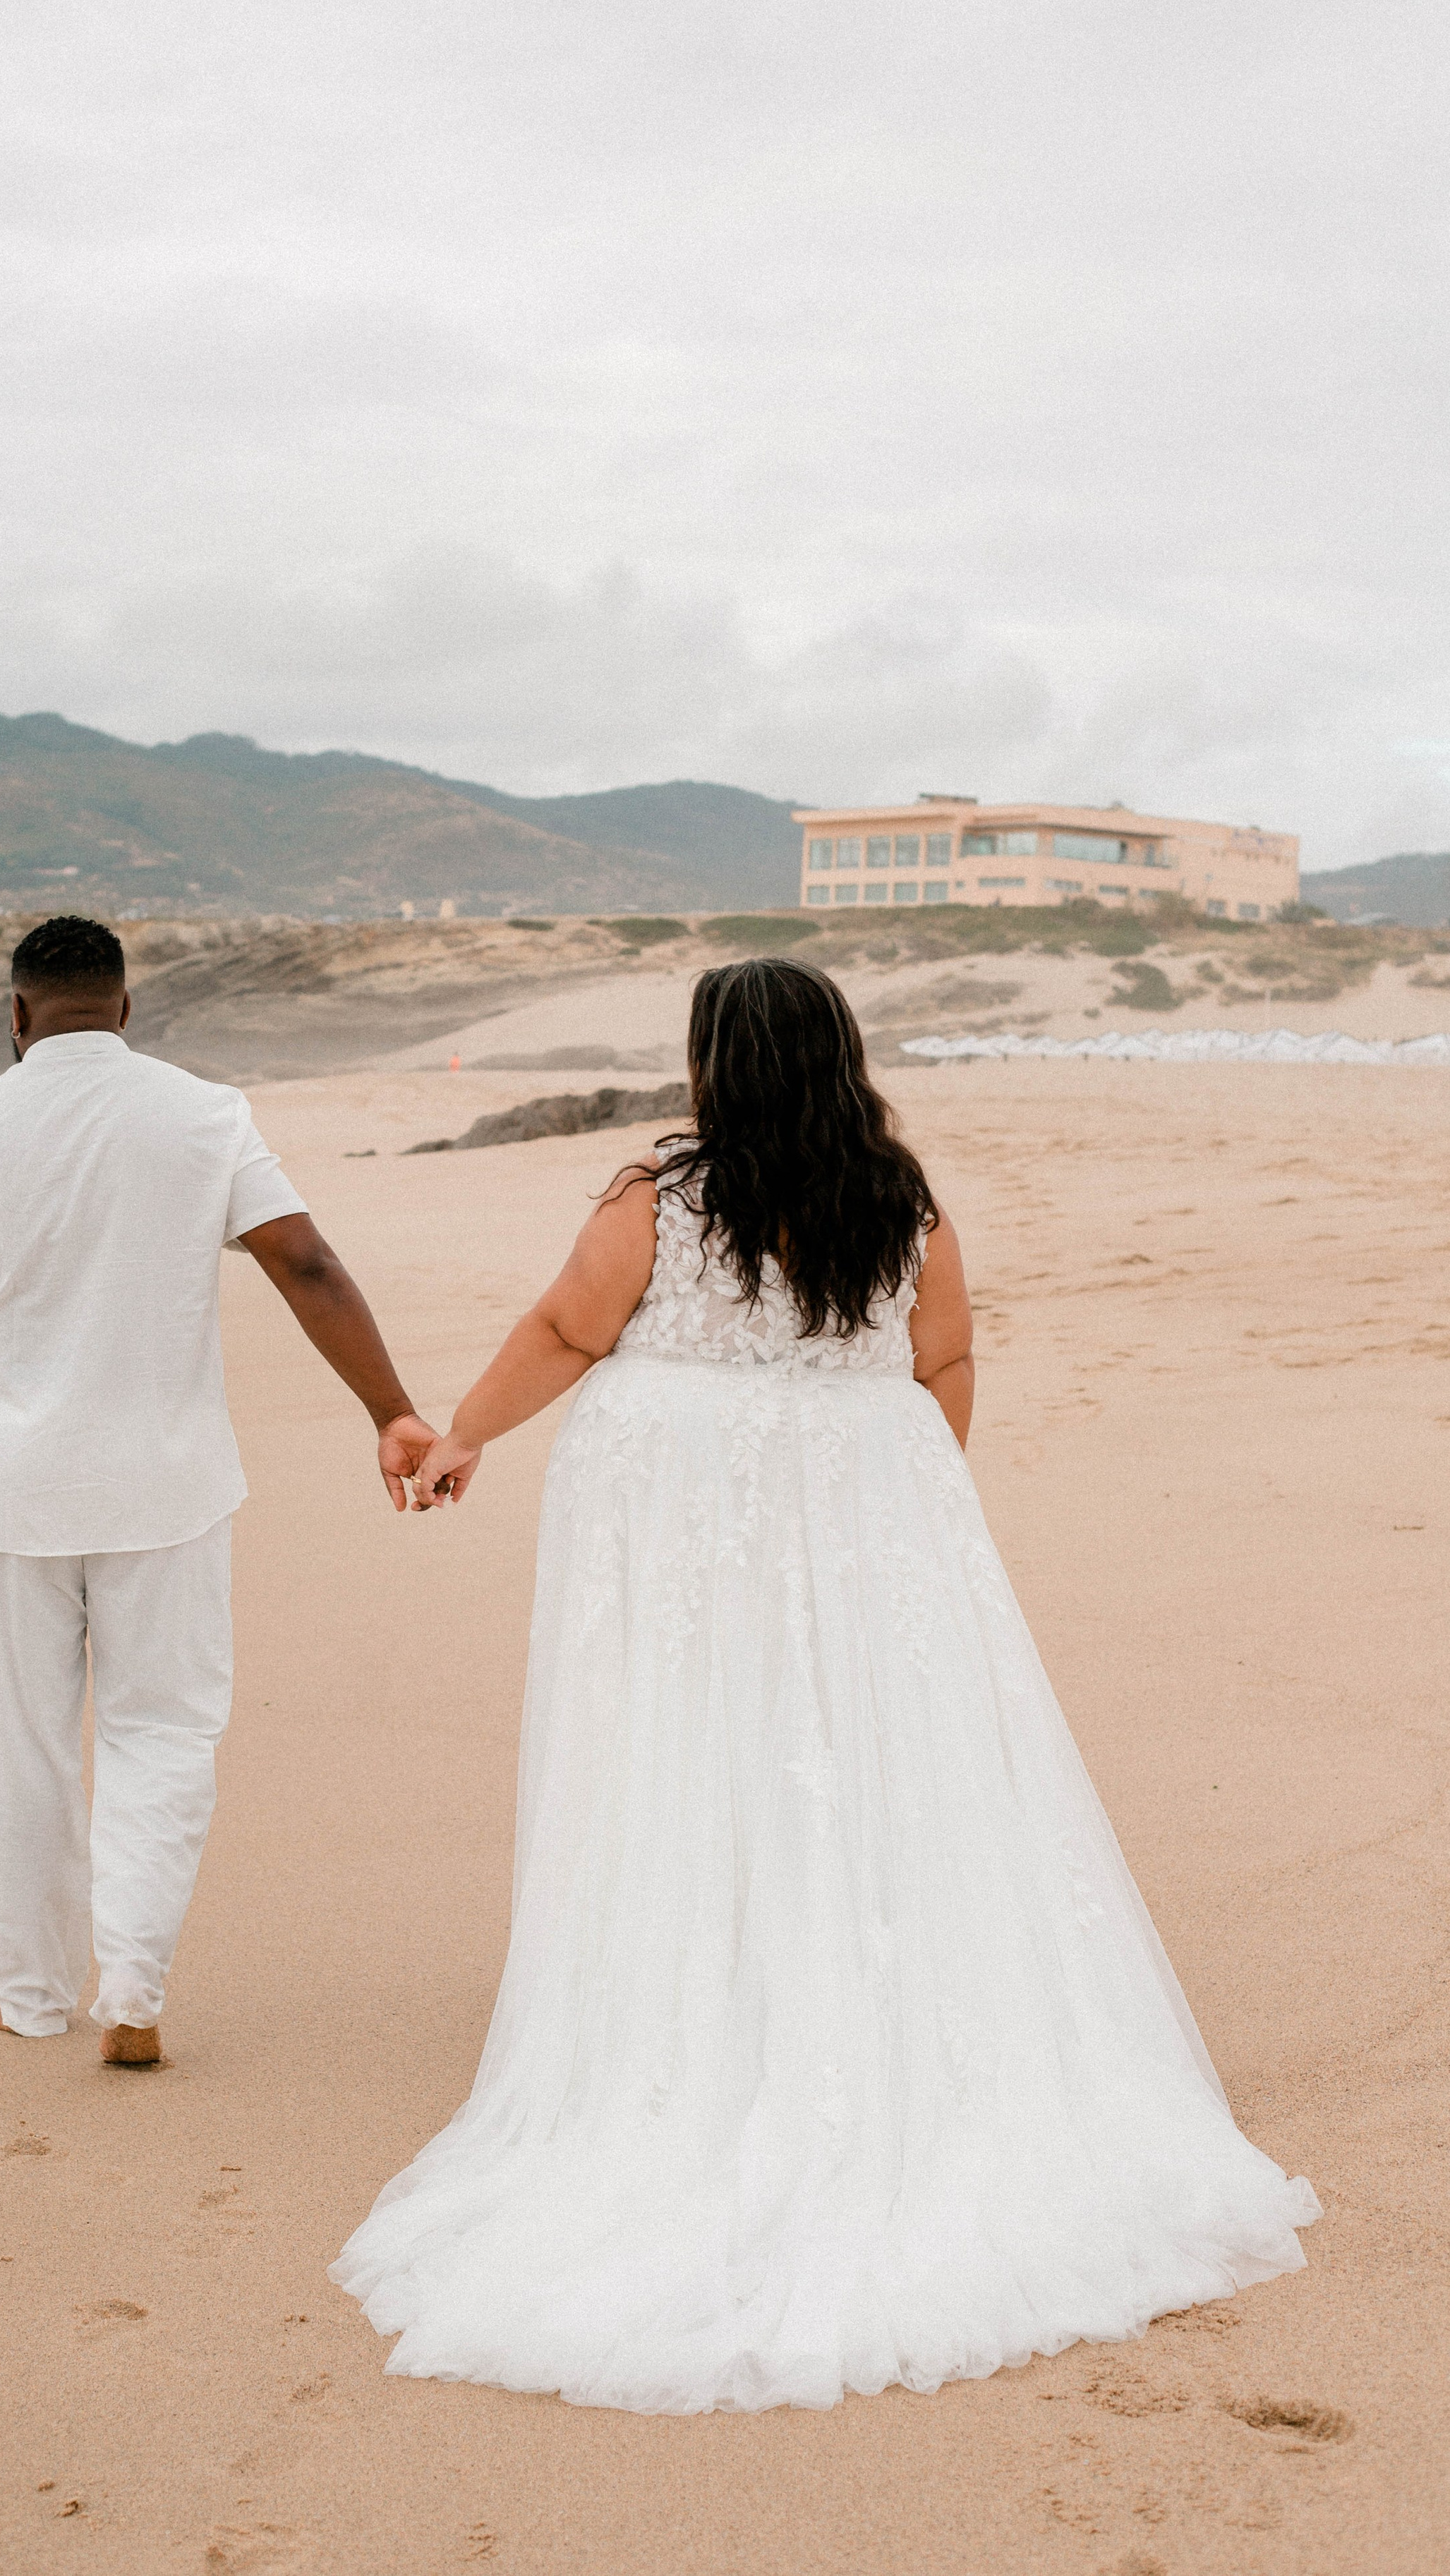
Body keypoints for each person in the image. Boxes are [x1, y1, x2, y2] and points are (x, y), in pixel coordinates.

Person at [332, 957, 1319, 2413]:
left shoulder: (659, 1200)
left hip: (691, 1537)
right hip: (856, 1524)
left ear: (709, 1064)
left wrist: (463, 1432)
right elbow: (942, 1360)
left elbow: (564, 1329)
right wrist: (906, 1525)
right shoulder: (895, 1198)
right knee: (865, 1768)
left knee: (700, 1761)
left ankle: (719, 2009)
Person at [0, 915, 435, 2068]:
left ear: (14, 1016)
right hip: (169, 1492)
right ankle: (138, 1989)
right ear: (124, 1009)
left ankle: (33, 1996)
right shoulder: (204, 1115)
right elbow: (306, 1263)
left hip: (10, 1502)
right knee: (163, 1734)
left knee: (19, 1747)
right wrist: (390, 1411)